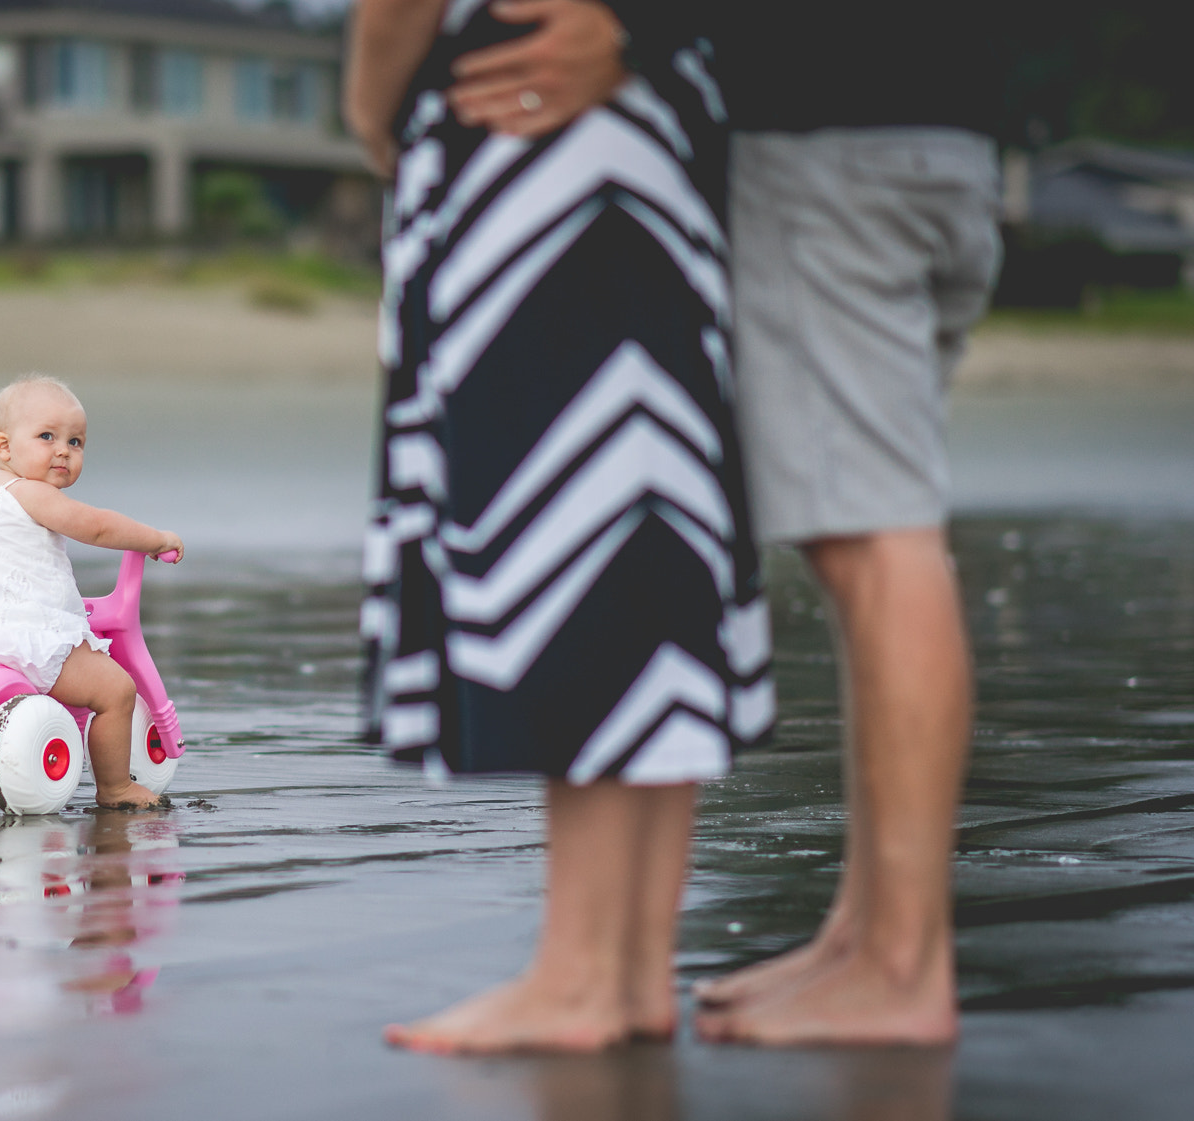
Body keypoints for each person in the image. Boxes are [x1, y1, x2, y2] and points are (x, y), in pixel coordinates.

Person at [441, 1, 1003, 1045]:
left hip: (833, 144)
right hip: (940, 134)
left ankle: (903, 966)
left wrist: (639, 26)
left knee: (876, 542)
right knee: (874, 534)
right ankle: (866, 934)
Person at [348, 0, 771, 1052]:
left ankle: (582, 972)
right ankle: (628, 965)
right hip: (666, 112)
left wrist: (373, 103)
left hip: (530, 118)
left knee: (568, 518)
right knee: (643, 510)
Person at [0, 374, 184, 811]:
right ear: (5, 447)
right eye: (47, 437)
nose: (63, 450)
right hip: (27, 636)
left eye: (76, 442)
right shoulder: (33, 493)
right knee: (116, 691)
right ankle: (115, 788)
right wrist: (153, 538)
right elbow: (96, 526)